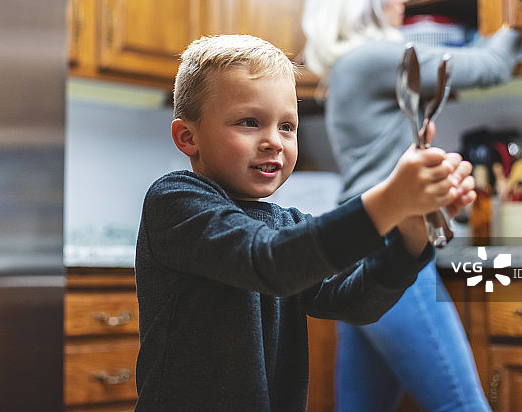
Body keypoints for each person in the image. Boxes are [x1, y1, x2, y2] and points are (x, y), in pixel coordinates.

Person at [134, 34, 477, 411]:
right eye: (250, 122)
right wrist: (389, 200)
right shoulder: (175, 200)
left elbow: (358, 304)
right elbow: (269, 262)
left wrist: (410, 231)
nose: (274, 141)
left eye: (287, 126)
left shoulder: (287, 224)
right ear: (188, 137)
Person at [301, 0, 522, 412]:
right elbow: (487, 67)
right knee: (463, 407)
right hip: (391, 245)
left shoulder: (349, 67)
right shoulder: (375, 59)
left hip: (357, 246)